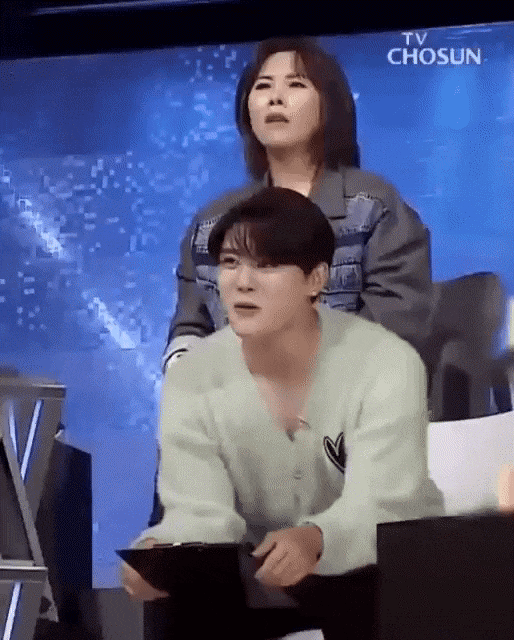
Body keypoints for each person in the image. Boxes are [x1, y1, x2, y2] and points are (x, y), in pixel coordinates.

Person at [121, 187, 444, 640]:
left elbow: (384, 504)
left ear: (316, 279)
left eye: (267, 265)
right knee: (182, 593)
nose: (242, 282)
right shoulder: (191, 377)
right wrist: (160, 552)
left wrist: (317, 538)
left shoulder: (387, 364)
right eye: (230, 263)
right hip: (259, 569)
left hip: (380, 568)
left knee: (384, 578)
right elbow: (200, 513)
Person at [148, 35, 435, 530]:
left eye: (296, 85)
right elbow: (189, 326)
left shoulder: (372, 205)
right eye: (263, 87)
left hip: (342, 408)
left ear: (330, 105)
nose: (275, 98)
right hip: (240, 410)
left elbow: (396, 321)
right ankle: (183, 550)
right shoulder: (212, 221)